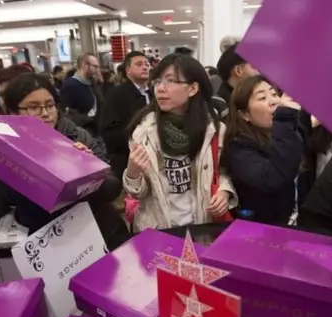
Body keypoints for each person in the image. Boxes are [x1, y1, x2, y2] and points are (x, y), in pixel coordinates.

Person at [0, 73, 127, 250]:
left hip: (97, 234)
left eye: (49, 105)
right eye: (34, 107)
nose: (45, 114)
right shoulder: (5, 149)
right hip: (46, 246)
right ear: (13, 111)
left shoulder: (78, 136)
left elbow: (112, 189)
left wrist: (88, 167)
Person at [123, 54, 237, 231]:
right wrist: (132, 173)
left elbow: (223, 172)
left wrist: (224, 192)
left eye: (170, 81)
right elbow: (138, 193)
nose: (160, 88)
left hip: (202, 227)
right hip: (158, 230)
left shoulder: (214, 131)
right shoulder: (144, 133)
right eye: (157, 81)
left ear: (192, 89)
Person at [221, 75, 304, 225]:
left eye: (274, 94)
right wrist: (284, 119)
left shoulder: (285, 132)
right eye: (262, 98)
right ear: (245, 115)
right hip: (259, 232)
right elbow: (274, 179)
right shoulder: (239, 147)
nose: (273, 101)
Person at [100, 51, 151, 178]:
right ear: (128, 70)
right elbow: (109, 130)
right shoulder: (117, 94)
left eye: (147, 64)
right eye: (139, 64)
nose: (145, 67)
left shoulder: (153, 93)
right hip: (127, 157)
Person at [60, 53, 105, 137]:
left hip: (96, 130)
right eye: (95, 66)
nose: (97, 70)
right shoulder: (70, 85)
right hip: (81, 132)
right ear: (85, 65)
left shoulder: (92, 83)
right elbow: (64, 111)